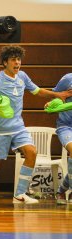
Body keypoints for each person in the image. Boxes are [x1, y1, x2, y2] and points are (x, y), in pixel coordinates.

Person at [0, 45, 72, 204]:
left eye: (19, 59)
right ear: (5, 62)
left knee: (31, 152)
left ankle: (19, 194)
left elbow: (38, 91)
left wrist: (58, 94)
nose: (17, 63)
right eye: (13, 59)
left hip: (18, 127)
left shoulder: (22, 76)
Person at [45, 73, 72, 204]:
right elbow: (55, 96)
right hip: (66, 126)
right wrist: (51, 103)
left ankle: (61, 190)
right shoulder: (67, 78)